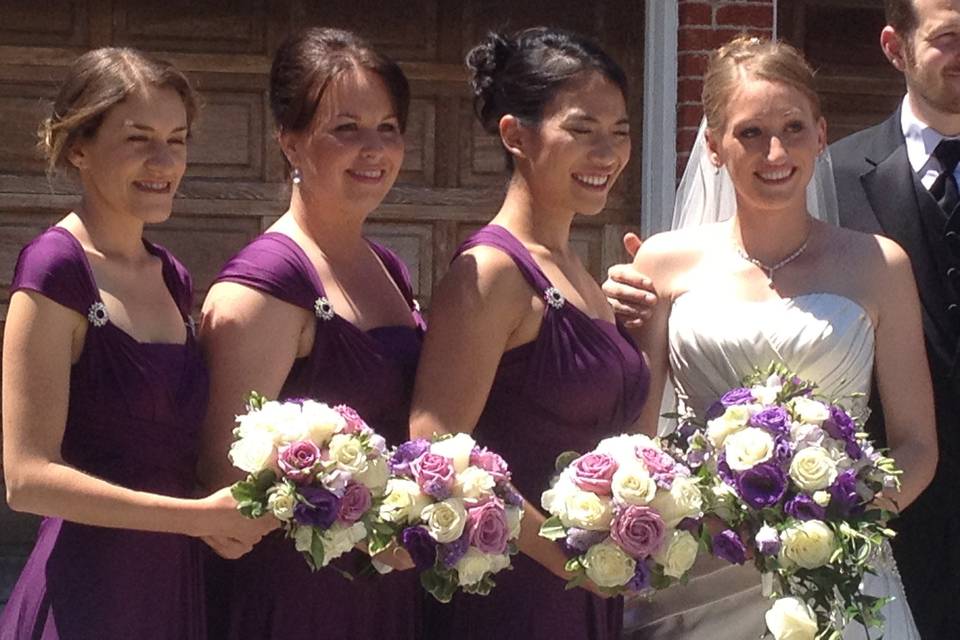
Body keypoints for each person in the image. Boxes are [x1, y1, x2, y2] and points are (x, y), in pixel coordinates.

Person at [607, 4, 960, 637]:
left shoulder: (879, 265)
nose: (775, 151)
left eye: (794, 128)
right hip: (699, 569)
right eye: (749, 133)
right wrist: (686, 513)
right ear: (713, 146)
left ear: (822, 135)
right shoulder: (661, 263)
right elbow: (636, 434)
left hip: (837, 566)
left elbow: (917, 445)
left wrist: (839, 515)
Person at [0, 47, 272, 640]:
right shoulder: (53, 270)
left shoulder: (171, 274)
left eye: (177, 140)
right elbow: (26, 479)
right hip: (89, 594)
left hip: (172, 584)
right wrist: (194, 518)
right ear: (78, 147)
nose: (163, 160)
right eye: (138, 139)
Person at [409, 28, 650, 640]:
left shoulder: (577, 272)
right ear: (516, 135)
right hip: (514, 591)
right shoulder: (491, 271)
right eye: (582, 130)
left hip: (586, 585)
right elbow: (437, 449)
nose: (607, 154)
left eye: (619, 133)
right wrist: (565, 560)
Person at [196, 27, 424, 640]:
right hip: (297, 598)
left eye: (389, 128)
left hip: (384, 587)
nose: (374, 149)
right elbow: (222, 485)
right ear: (290, 142)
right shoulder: (266, 284)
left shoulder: (387, 267)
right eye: (345, 129)